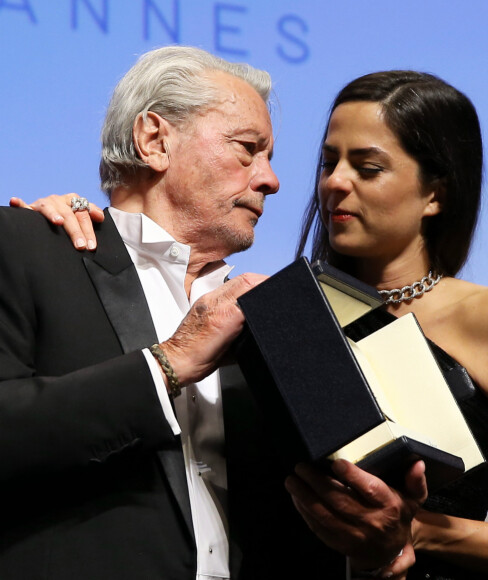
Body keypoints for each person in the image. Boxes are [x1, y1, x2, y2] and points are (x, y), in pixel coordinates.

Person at [29, 69, 488, 579]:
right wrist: (75, 221)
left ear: (436, 192)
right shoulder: (279, 311)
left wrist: (411, 534)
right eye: (327, 163)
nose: (335, 183)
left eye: (367, 167)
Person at [1, 48, 427, 580]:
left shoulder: (276, 321)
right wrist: (170, 362)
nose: (271, 180)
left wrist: (372, 555)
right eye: (248, 150)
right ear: (155, 140)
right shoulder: (22, 245)